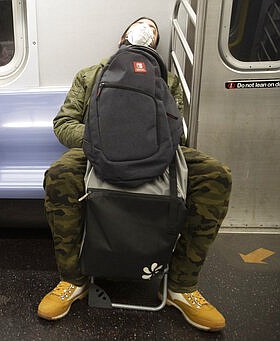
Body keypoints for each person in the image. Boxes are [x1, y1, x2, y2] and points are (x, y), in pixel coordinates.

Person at [37, 17, 232, 332]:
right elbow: (64, 123)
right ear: (121, 38)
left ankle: (180, 286)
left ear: (154, 45)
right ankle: (73, 279)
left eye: (152, 31)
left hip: (155, 154)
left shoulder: (164, 80)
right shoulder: (90, 75)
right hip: (97, 152)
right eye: (141, 26)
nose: (146, 31)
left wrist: (141, 140)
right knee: (60, 174)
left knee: (215, 175)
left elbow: (177, 134)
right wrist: (105, 137)